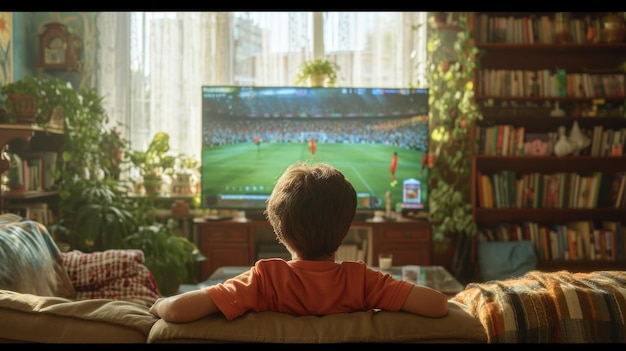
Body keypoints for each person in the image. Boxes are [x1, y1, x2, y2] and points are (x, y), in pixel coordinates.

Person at [149, 162, 448, 323]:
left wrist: (158, 303)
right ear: (344, 230)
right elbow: (437, 305)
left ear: (281, 231)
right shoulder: (362, 281)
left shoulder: (266, 279)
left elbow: (176, 311)